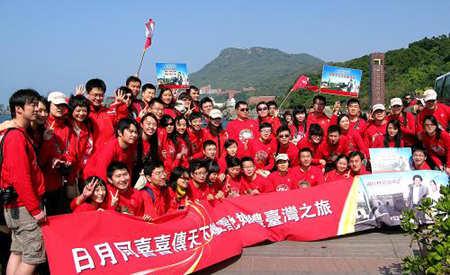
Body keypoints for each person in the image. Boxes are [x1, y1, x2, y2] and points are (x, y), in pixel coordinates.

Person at [1, 89, 46, 275]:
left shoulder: (17, 133)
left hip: (17, 206)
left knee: (18, 251)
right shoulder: (15, 137)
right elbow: (20, 177)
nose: (36, 109)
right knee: (33, 256)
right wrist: (35, 210)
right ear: (18, 109)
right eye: (32, 104)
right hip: (24, 207)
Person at [84, 79, 128, 155]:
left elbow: (121, 121)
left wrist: (121, 105)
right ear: (87, 94)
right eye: (95, 95)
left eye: (101, 95)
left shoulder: (109, 112)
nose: (98, 98)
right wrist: (75, 100)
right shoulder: (83, 113)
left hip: (108, 153)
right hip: (88, 156)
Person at [133, 113, 159, 187]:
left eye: (154, 125)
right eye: (148, 124)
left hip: (143, 181)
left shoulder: (154, 144)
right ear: (141, 124)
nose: (151, 127)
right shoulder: (135, 141)